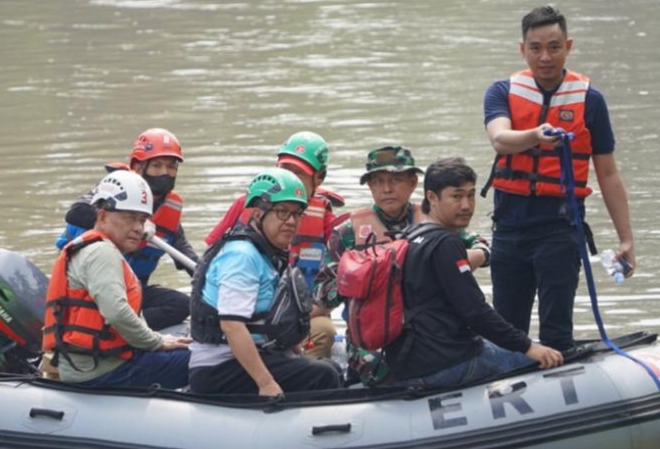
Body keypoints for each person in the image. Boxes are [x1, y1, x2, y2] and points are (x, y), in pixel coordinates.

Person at [482, 5, 635, 351]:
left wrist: (627, 240)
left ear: (568, 46)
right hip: (508, 227)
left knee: (556, 330)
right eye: (535, 48)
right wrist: (536, 135)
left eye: (554, 46)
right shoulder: (501, 92)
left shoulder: (590, 100)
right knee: (508, 330)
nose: (545, 56)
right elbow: (499, 139)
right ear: (523, 50)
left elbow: (608, 174)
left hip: (560, 228)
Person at [313, 145, 491, 385]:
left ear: (413, 183)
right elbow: (322, 295)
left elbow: (482, 245)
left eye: (396, 180)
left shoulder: (435, 217)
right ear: (370, 186)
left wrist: (467, 258)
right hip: (373, 336)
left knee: (476, 355)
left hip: (433, 329)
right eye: (378, 181)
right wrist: (362, 279)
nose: (387, 189)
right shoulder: (347, 231)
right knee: (385, 372)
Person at [382, 158, 563, 389]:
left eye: (471, 195)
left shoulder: (410, 237)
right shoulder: (445, 243)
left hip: (408, 362)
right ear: (432, 198)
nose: (466, 205)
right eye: (456, 196)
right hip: (445, 362)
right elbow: (476, 312)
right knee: (547, 359)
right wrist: (529, 347)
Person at [189, 168, 343, 396]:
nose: (291, 221)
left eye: (297, 214)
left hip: (252, 354)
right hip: (219, 367)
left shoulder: (268, 252)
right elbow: (232, 326)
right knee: (323, 375)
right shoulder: (243, 256)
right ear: (259, 214)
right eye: (282, 212)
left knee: (331, 368)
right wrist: (266, 383)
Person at [43, 170, 191, 389]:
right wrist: (157, 342)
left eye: (141, 220)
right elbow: (117, 313)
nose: (138, 228)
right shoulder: (101, 252)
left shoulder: (95, 247)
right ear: (102, 216)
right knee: (207, 362)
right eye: (129, 218)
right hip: (103, 370)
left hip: (96, 362)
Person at [204, 131, 343, 358]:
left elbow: (334, 285)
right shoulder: (247, 204)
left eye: (298, 173)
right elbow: (208, 260)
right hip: (245, 309)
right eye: (284, 169)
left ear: (319, 178)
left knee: (324, 330)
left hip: (301, 313)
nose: (289, 178)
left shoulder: (326, 220)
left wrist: (292, 319)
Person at [55, 128, 199, 331]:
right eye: (157, 165)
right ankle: (109, 329)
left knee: (181, 305)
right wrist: (131, 223)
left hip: (131, 290)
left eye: (171, 166)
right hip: (91, 286)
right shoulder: (116, 188)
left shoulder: (168, 212)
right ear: (138, 166)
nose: (165, 173)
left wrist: (207, 274)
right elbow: (76, 212)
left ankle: (122, 329)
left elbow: (185, 253)